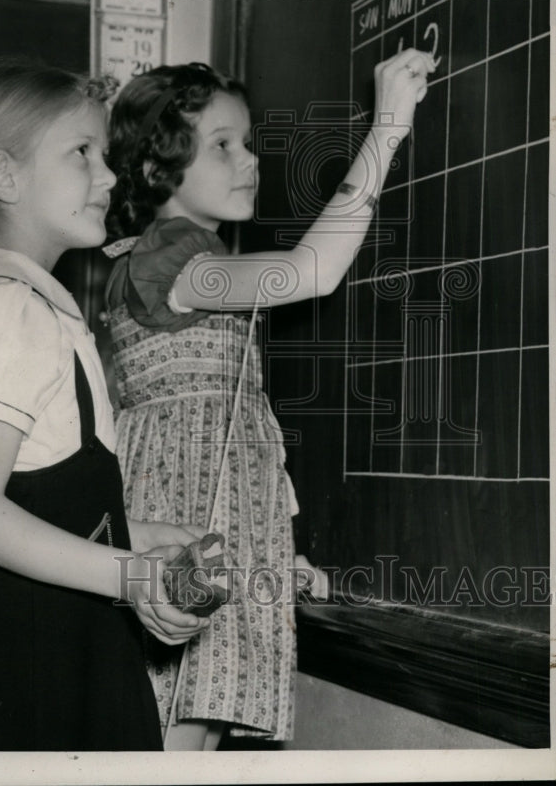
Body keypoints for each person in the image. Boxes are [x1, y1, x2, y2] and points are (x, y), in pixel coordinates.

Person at [103, 50, 435, 750]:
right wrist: (387, 129)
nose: (249, 160)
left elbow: (217, 438)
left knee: (188, 734)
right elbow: (307, 272)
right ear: (160, 165)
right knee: (170, 740)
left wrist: (268, 551)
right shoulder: (168, 259)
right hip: (183, 533)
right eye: (222, 145)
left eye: (247, 142)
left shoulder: (190, 261)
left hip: (209, 525)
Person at [0, 58, 209, 752]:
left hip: (47, 655)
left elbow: (36, 489)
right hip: (15, 674)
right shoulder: (4, 308)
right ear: (6, 176)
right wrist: (132, 575)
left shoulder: (32, 306)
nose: (111, 176)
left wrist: (128, 532)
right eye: (81, 153)